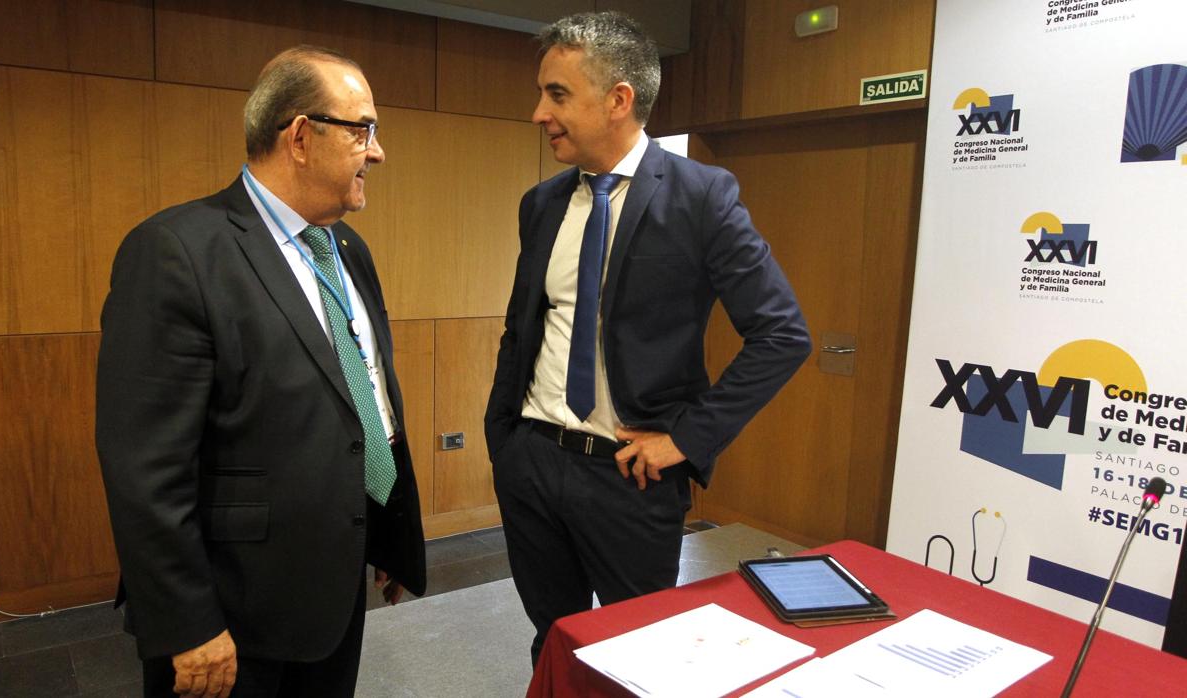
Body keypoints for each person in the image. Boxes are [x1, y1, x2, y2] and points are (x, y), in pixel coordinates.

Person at [96, 45, 425, 698]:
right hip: (232, 612)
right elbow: (145, 467)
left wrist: (388, 529)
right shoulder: (177, 252)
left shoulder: (348, 250)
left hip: (333, 590)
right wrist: (186, 623)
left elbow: (364, 401)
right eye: (363, 129)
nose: (377, 151)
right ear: (301, 136)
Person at [484, 12, 812, 665]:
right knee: (553, 643)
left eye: (556, 94)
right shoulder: (542, 204)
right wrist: (506, 441)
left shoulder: (702, 196)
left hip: (628, 476)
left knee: (639, 652)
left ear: (618, 100)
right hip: (533, 463)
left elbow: (782, 333)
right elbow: (524, 326)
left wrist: (688, 440)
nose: (537, 114)